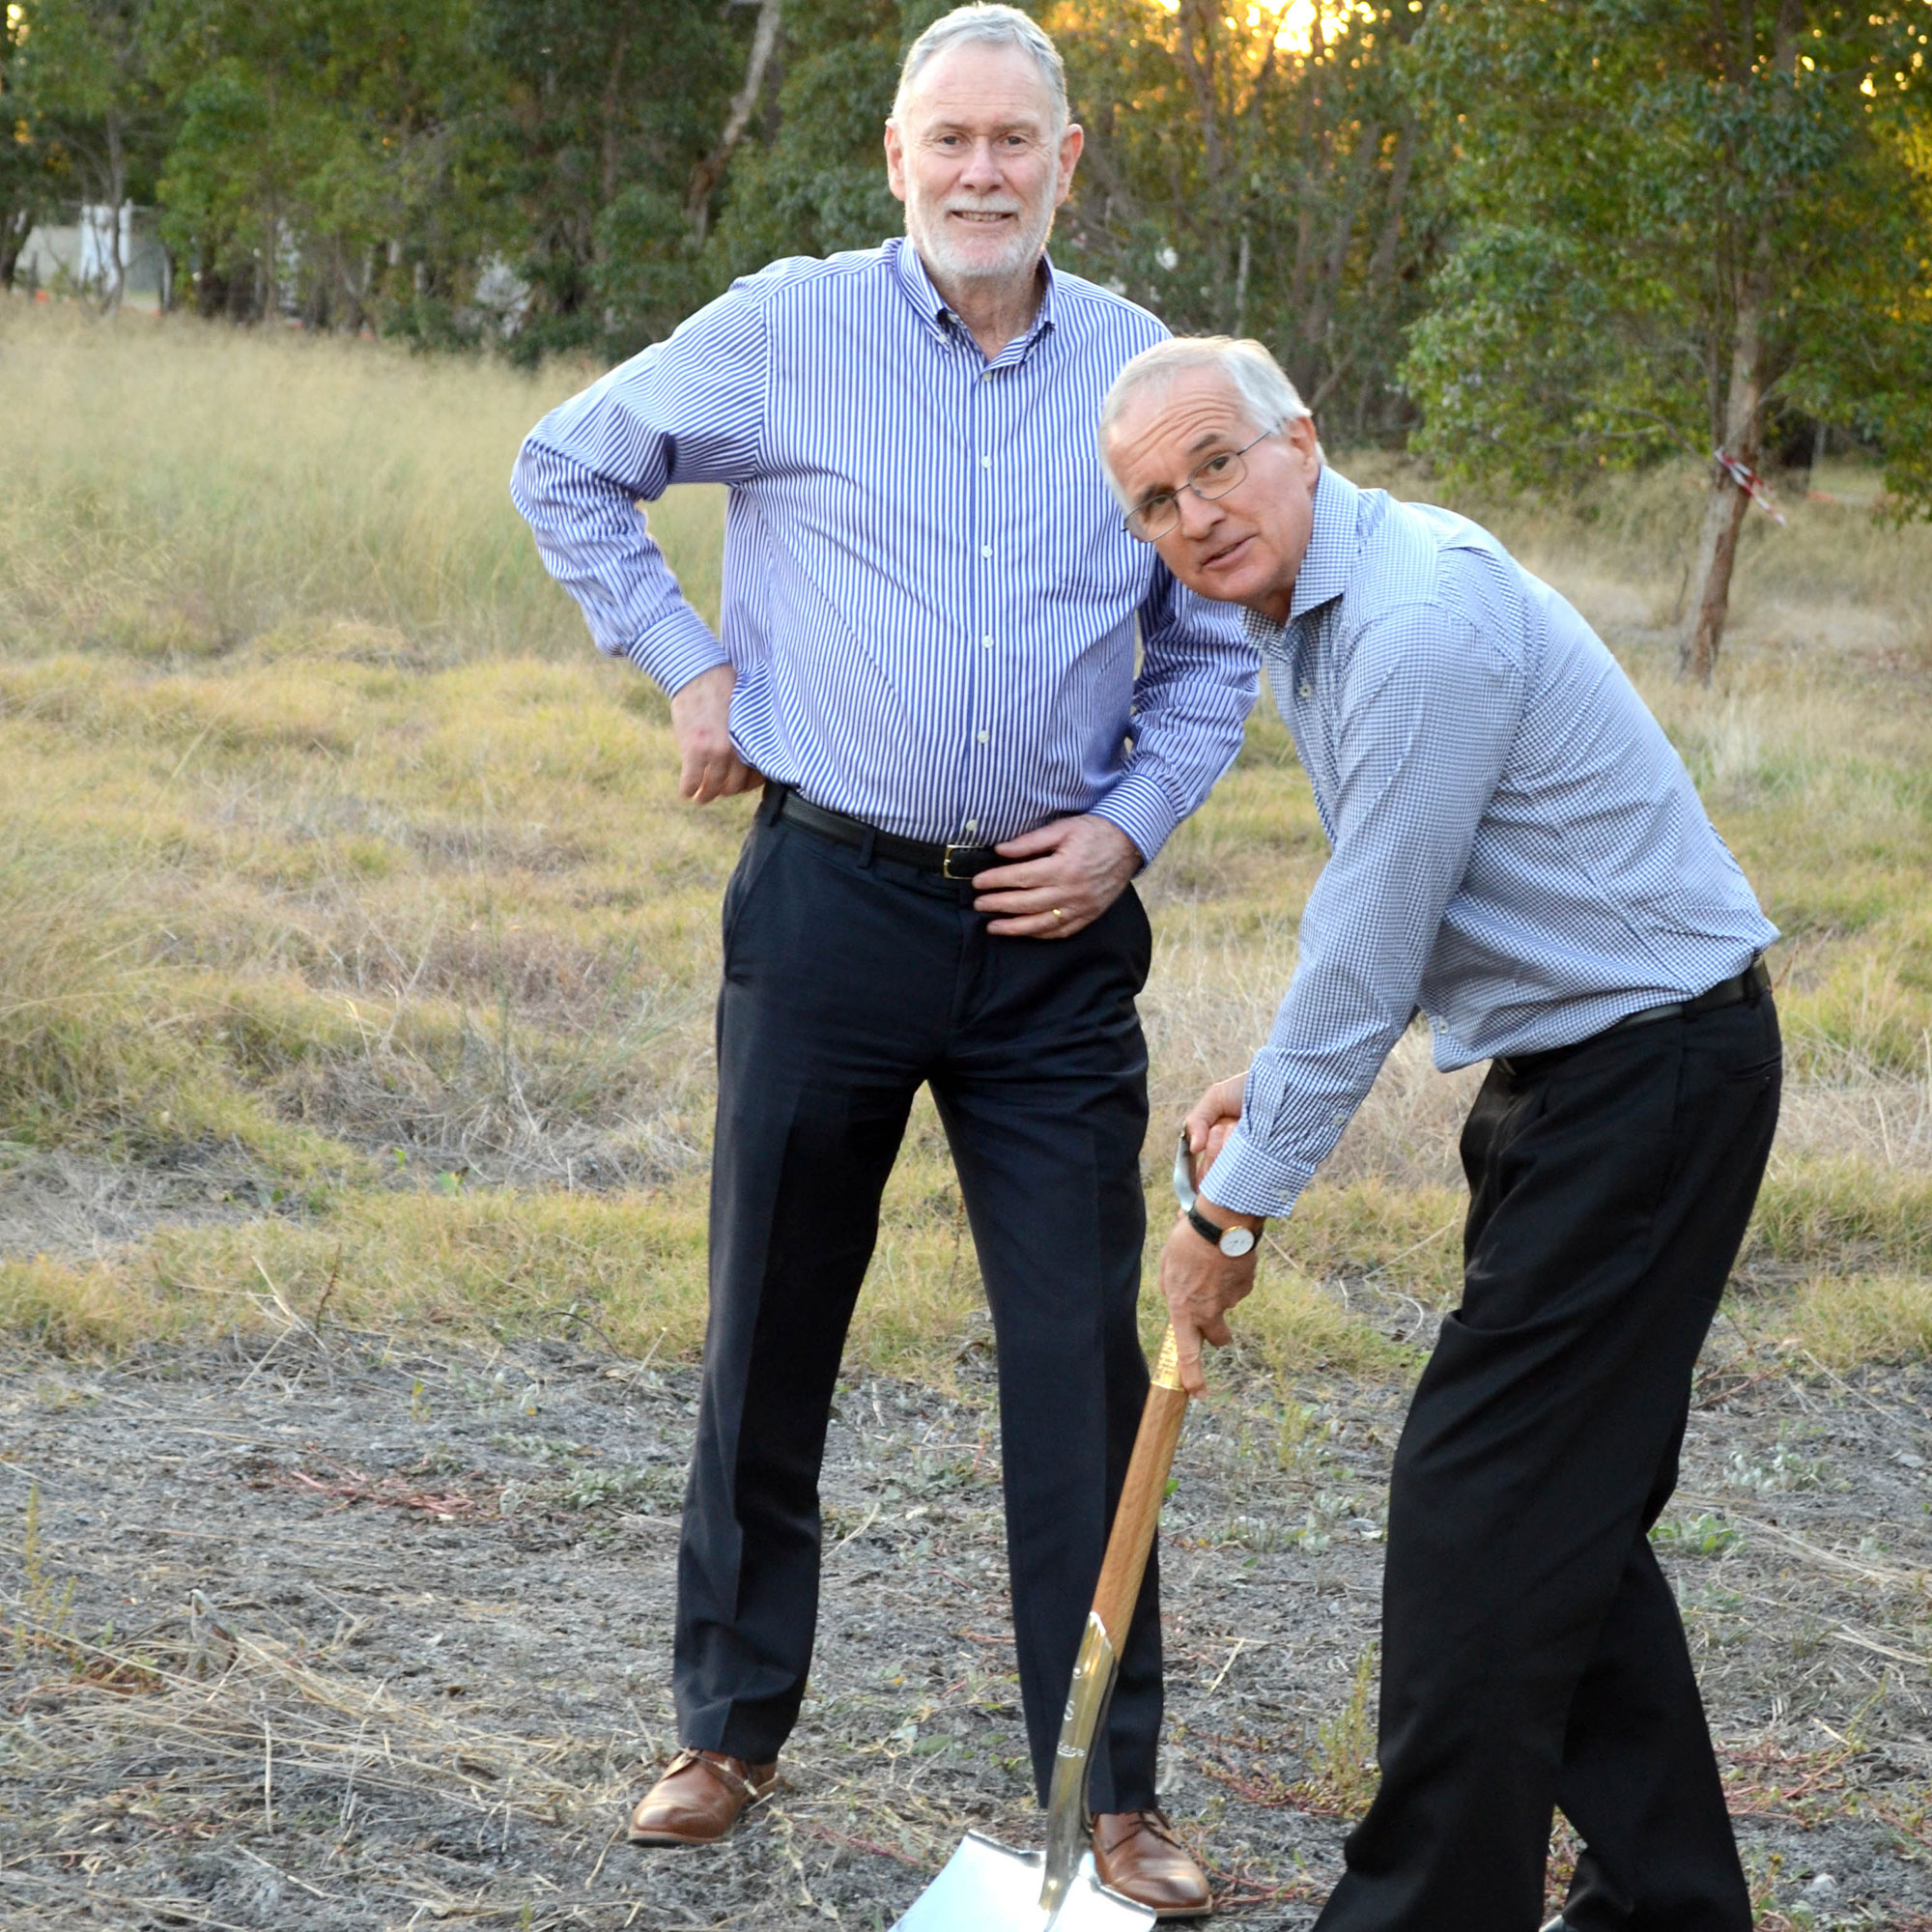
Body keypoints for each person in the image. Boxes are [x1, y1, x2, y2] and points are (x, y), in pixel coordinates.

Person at [511, 9, 1255, 1915]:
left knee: (1080, 1363)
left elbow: (1208, 649)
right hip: (828, 900)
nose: (983, 171)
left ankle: (1108, 1790)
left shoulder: (1141, 375)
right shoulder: (783, 326)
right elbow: (565, 465)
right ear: (897, 158)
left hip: (1051, 936)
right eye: (951, 139)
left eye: (1018, 140)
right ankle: (725, 1728)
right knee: (771, 1321)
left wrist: (1128, 828)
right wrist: (687, 665)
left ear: (1068, 165)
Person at [1098, 335, 1781, 1932]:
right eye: (1151, 501)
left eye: (1216, 464)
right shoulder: (1313, 615)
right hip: (1581, 1083)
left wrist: (1232, 1217)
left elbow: (1376, 939)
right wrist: (1266, 1089)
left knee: (1477, 1512)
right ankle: (1670, 1909)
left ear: (1303, 443)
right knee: (1566, 1525)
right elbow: (1392, 903)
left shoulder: (1410, 620)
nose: (1192, 514)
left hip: (1650, 1079)